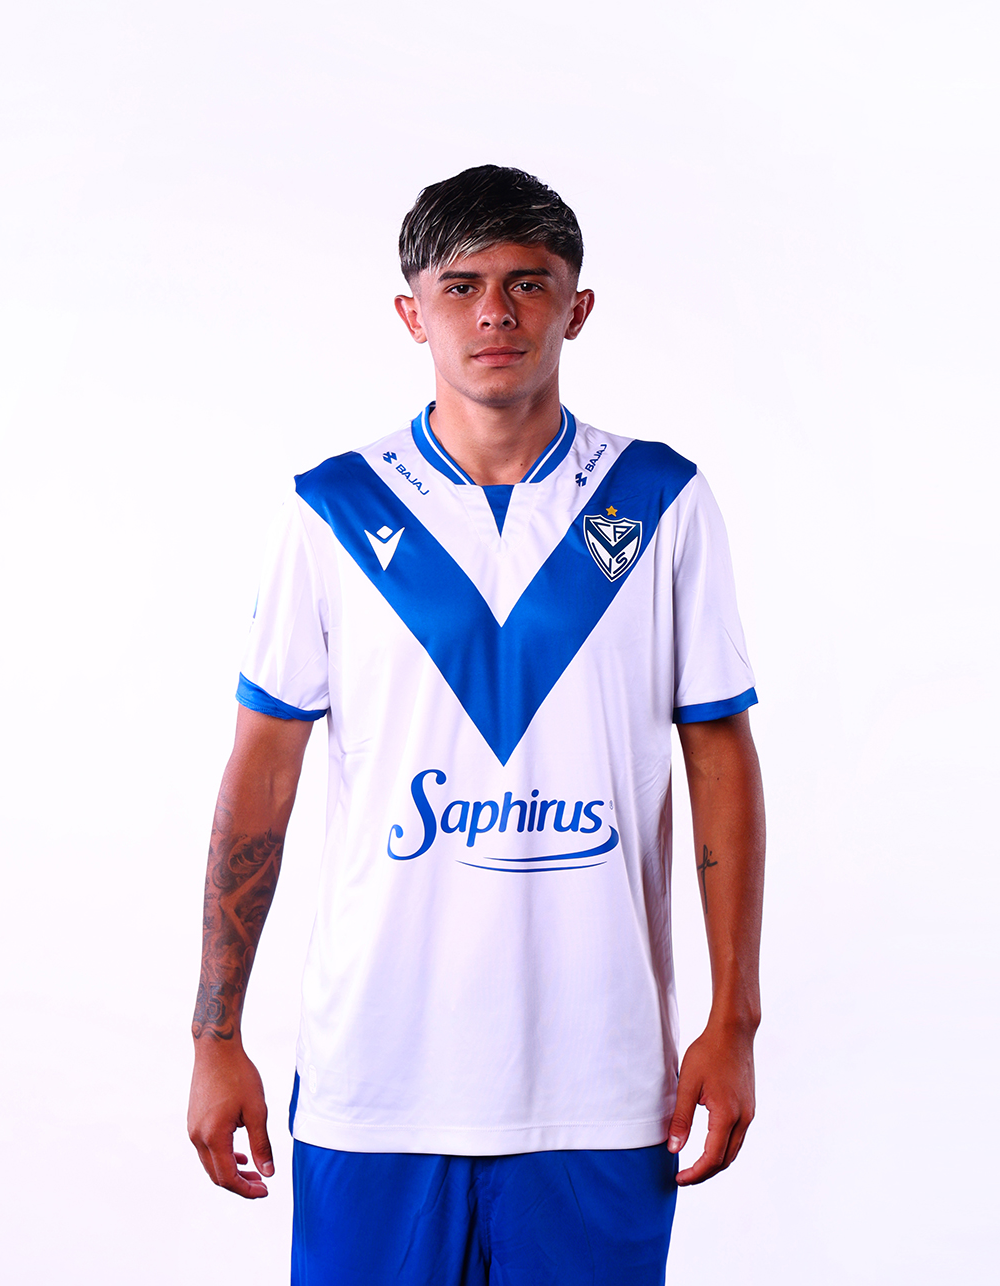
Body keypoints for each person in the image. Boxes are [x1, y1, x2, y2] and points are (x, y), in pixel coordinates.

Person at [188, 164, 765, 1286]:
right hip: (375, 1084)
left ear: (576, 308)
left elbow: (721, 759)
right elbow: (261, 776)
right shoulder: (332, 510)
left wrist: (732, 1022)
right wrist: (216, 1035)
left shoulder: (660, 500)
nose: (494, 312)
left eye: (527, 283)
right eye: (460, 286)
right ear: (413, 314)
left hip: (601, 1088)